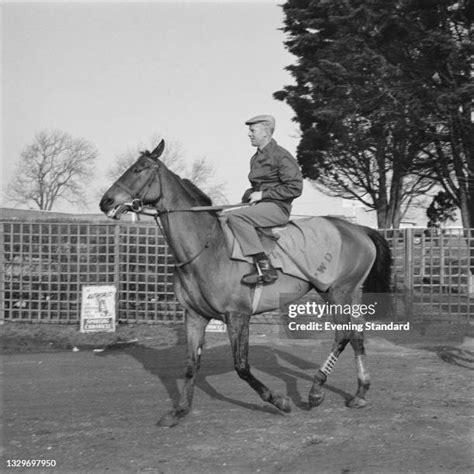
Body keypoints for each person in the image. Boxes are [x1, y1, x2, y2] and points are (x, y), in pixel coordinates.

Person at [227, 115, 303, 285]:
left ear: (266, 132)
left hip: (278, 208)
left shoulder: (281, 156)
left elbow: (295, 187)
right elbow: (257, 188)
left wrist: (262, 195)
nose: (249, 134)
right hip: (262, 206)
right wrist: (248, 197)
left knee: (236, 217)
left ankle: (265, 268)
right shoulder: (255, 158)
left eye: (253, 130)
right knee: (223, 216)